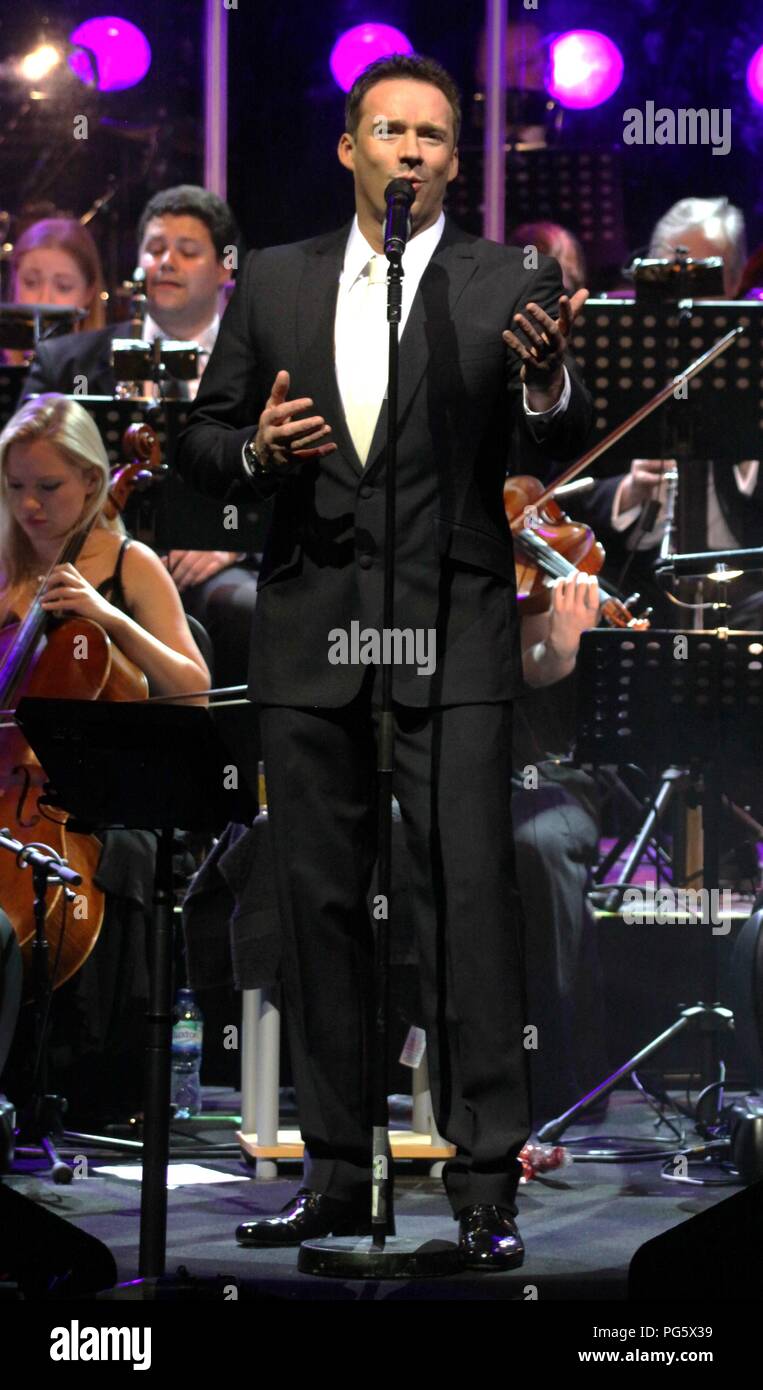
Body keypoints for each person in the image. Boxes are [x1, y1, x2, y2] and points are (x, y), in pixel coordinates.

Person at [177, 53, 593, 1270]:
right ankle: (336, 1174)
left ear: (455, 161)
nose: (410, 149)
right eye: (388, 130)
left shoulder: (506, 277)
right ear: (350, 148)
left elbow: (555, 431)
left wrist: (547, 373)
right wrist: (255, 451)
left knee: (464, 905)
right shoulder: (278, 280)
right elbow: (204, 441)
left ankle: (481, 1189)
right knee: (315, 912)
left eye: (433, 135)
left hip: (453, 633)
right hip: (312, 633)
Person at [0, 394, 210, 1121]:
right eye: (15, 485)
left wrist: (107, 615)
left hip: (100, 809)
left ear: (93, 482)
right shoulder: (2, 563)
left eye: (48, 488)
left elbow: (193, 692)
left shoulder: (131, 563)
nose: (29, 505)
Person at [21, 186, 259, 688]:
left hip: (210, 569)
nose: (166, 262)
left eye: (188, 252)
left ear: (224, 270)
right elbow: (18, 468)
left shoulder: (258, 365)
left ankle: (233, 760)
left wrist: (233, 545)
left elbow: (287, 477)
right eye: (154, 250)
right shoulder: (67, 362)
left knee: (250, 608)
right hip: (89, 561)